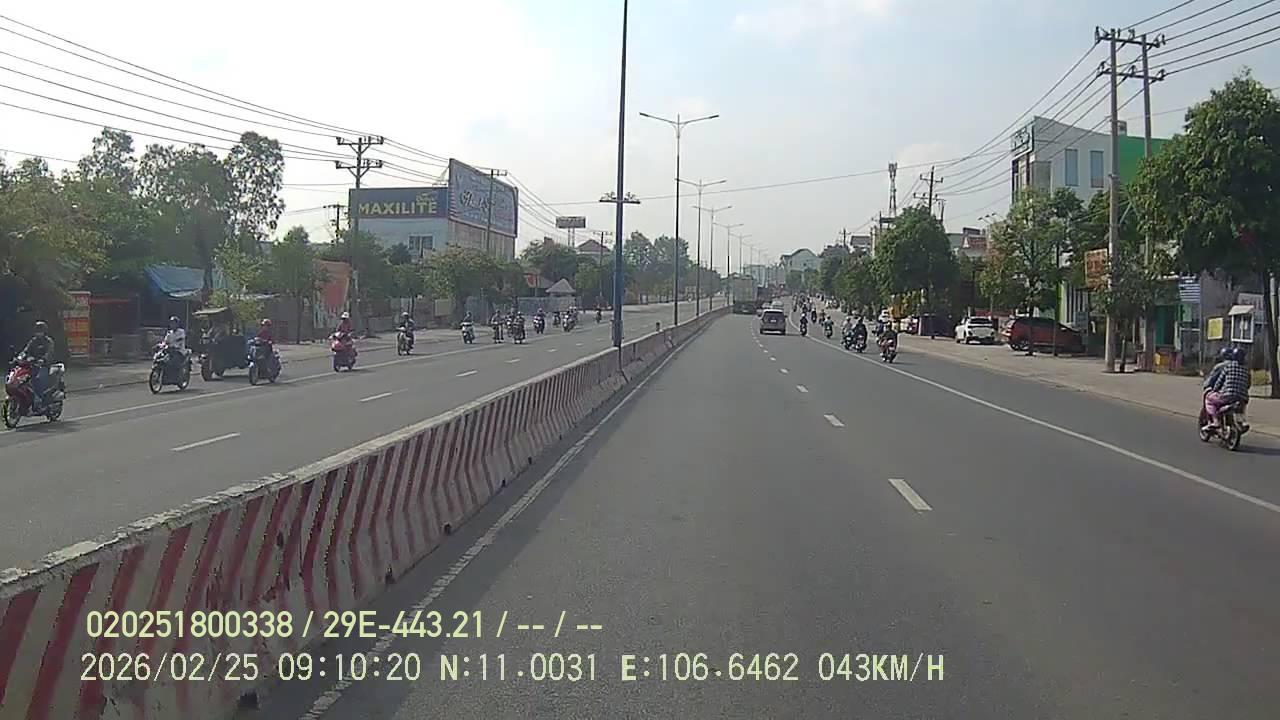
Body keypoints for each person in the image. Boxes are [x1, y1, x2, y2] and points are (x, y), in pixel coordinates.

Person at [1204, 346, 1250, 429]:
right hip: (1243, 398)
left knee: (1209, 399)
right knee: (1241, 406)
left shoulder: (1227, 367)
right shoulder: (1246, 369)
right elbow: (1248, 384)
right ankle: (1241, 422)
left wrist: (1214, 390)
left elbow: (1219, 381)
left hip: (1227, 395)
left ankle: (1215, 421)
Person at [19, 320, 54, 407]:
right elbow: (26, 350)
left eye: (40, 331)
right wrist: (20, 357)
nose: (38, 333)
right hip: (32, 365)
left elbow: (49, 352)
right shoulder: (33, 341)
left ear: (44, 332)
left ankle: (41, 400)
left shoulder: (48, 341)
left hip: (44, 366)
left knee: (39, 379)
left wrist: (43, 359)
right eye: (37, 331)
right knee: (24, 379)